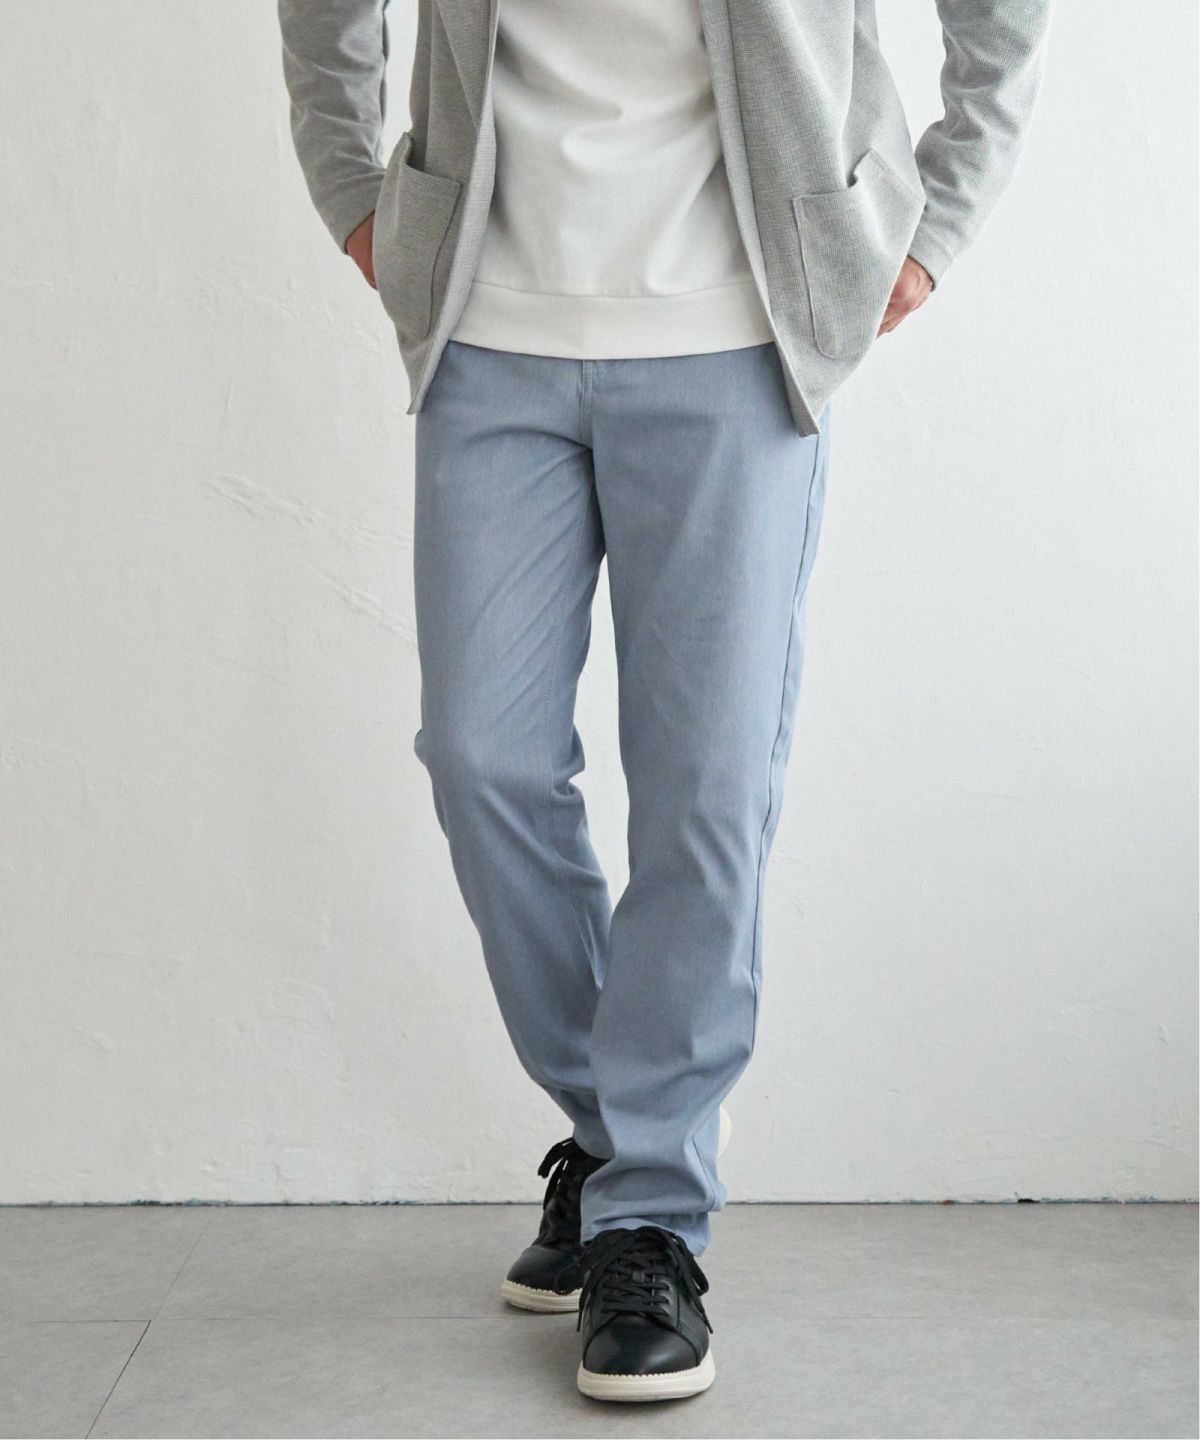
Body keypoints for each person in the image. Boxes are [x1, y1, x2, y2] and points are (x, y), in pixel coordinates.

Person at [277, 0, 1050, 1403]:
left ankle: (648, 1218)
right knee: (482, 760)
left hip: (740, 327)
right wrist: (349, 184)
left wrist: (936, 216)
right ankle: (633, 1134)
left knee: (706, 789)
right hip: (489, 325)